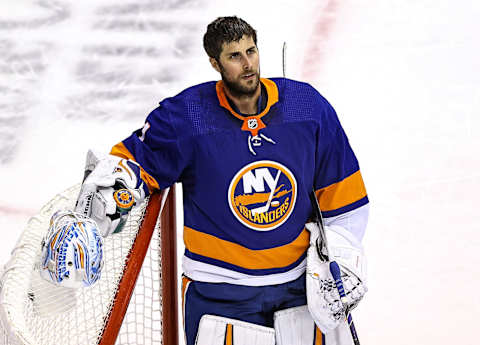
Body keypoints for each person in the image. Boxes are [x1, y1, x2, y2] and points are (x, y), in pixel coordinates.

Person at [75, 16, 369, 345]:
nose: (248, 64)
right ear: (215, 63)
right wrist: (101, 204)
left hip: (298, 289)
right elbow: (133, 162)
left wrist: (341, 261)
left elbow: (343, 196)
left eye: (251, 51)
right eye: (234, 56)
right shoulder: (188, 116)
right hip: (220, 294)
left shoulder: (305, 106)